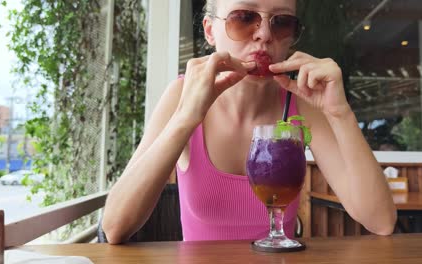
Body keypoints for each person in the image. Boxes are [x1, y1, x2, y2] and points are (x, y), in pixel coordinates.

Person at [102, 0, 396, 244]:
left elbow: (381, 221)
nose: (265, 35)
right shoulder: (182, 95)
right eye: (244, 18)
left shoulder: (303, 103)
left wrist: (340, 113)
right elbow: (115, 227)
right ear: (210, 31)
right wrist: (186, 118)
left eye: (281, 23)